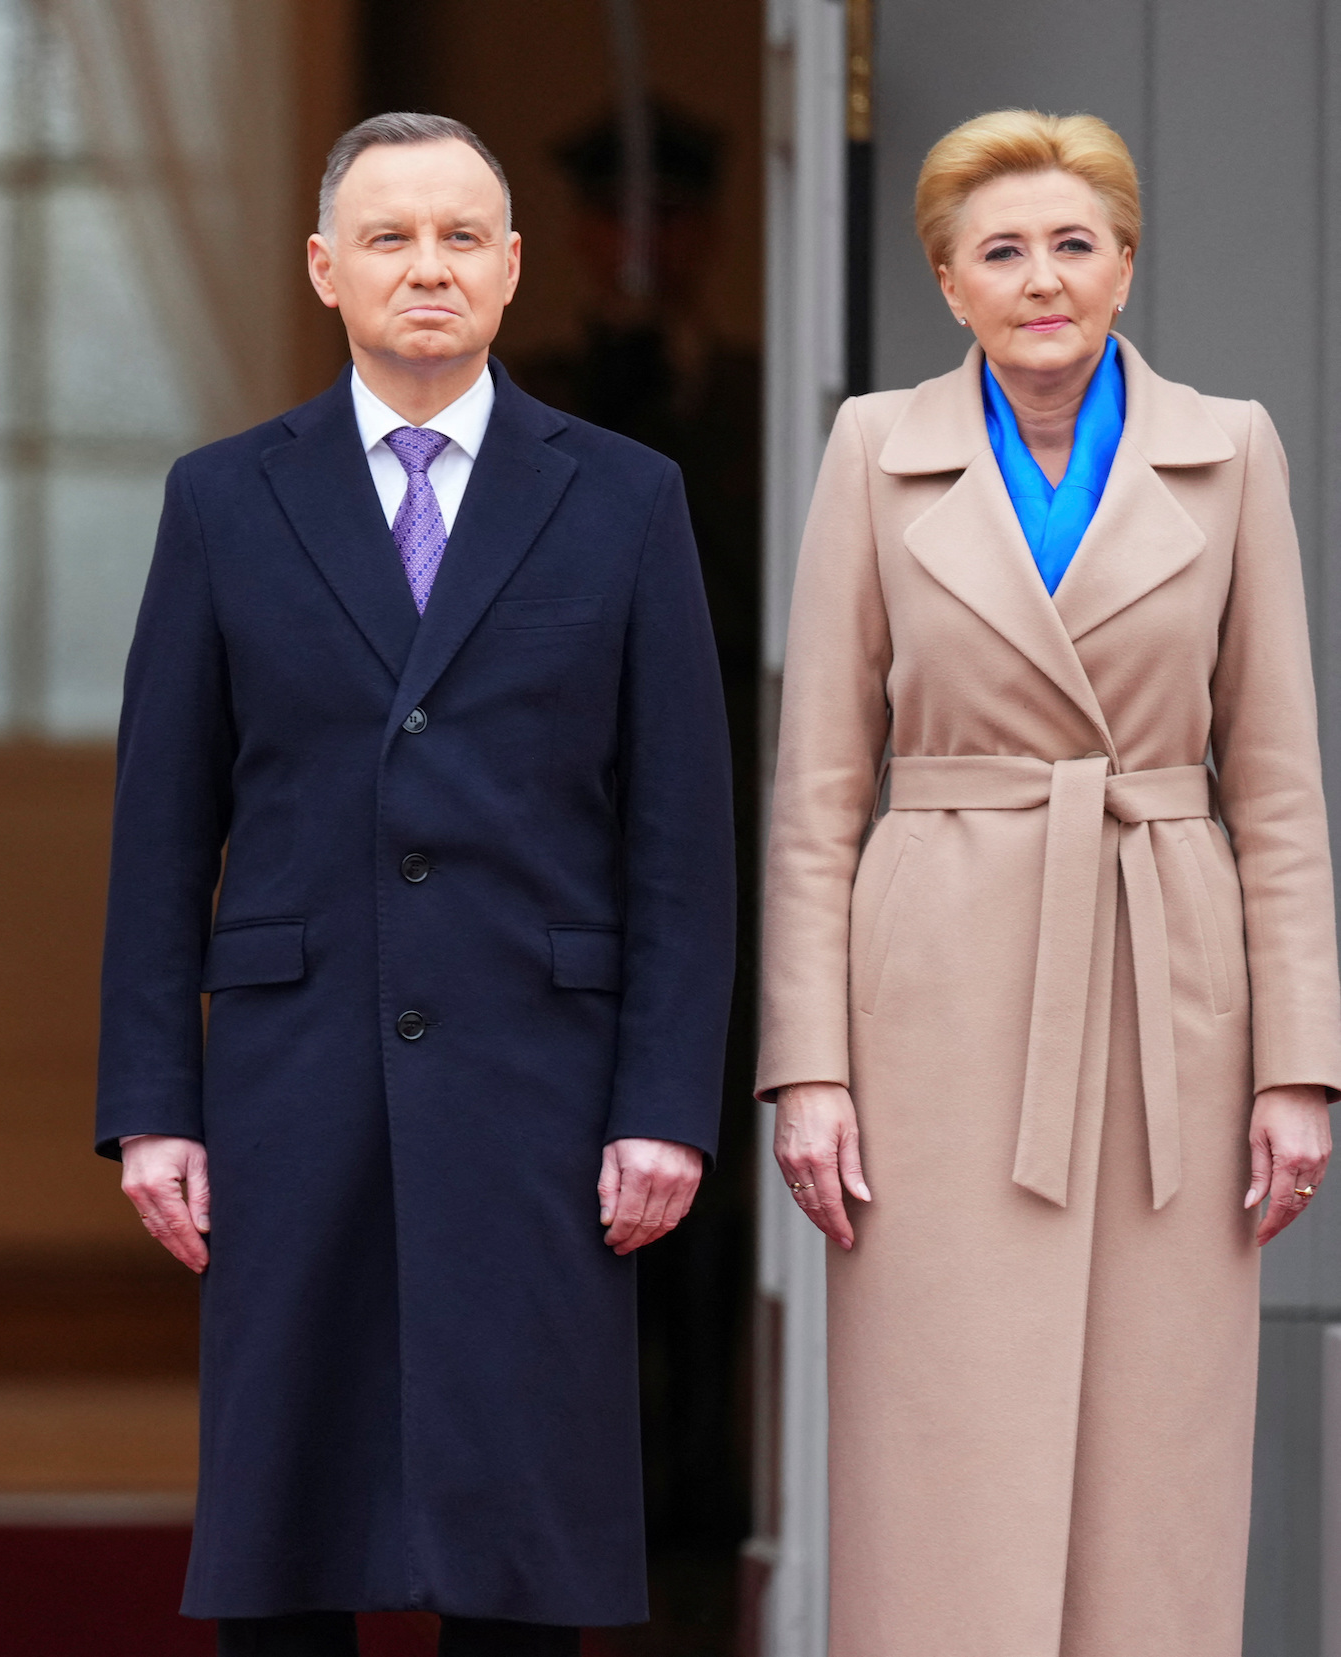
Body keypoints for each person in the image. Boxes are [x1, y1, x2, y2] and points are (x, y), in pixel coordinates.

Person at [100, 113, 734, 1656]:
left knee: (524, 1530)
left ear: (514, 271)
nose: (427, 267)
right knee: (288, 1526)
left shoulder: (628, 496)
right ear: (325, 269)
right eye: (388, 237)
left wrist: (665, 1098)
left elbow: (680, 832)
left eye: (462, 237)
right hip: (291, 1069)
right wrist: (155, 1103)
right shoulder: (226, 499)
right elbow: (162, 827)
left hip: (542, 1071)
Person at [762, 110, 1340, 1657]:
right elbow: (818, 789)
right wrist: (806, 1066)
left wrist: (1300, 1068)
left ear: (1126, 265)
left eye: (1075, 245)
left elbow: (1278, 785)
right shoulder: (874, 454)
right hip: (935, 999)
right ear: (948, 282)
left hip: (1171, 988)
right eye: (1003, 251)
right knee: (939, 1433)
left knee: (1159, 1438)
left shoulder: (1233, 453)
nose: (1043, 280)